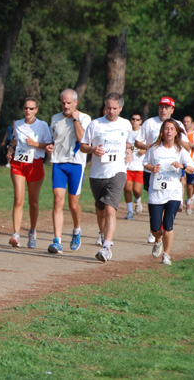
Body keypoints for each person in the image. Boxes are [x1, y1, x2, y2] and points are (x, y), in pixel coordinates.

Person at [80, 92, 132, 263]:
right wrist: (93, 150)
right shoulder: (95, 124)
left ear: (120, 108)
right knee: (100, 210)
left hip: (118, 171)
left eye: (115, 108)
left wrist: (130, 151)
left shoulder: (126, 124)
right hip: (97, 174)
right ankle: (102, 234)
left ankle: (107, 247)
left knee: (110, 209)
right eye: (108, 108)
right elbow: (83, 146)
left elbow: (128, 143)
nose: (111, 111)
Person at [134, 96, 189, 243]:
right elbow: (137, 142)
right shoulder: (149, 123)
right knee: (155, 200)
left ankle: (164, 229)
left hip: (171, 169)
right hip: (152, 169)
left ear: (172, 109)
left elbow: (188, 147)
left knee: (169, 202)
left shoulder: (177, 125)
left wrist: (175, 138)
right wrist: (152, 148)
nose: (163, 110)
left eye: (166, 107)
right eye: (161, 107)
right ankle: (155, 229)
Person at [143, 119, 194, 265]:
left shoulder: (180, 150)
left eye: (171, 129)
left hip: (173, 192)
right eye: (166, 128)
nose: (168, 131)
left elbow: (193, 168)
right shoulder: (154, 148)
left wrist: (182, 165)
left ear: (176, 132)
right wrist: (152, 168)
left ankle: (166, 254)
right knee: (155, 227)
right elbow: (145, 163)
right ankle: (158, 239)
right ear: (162, 131)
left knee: (168, 224)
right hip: (156, 192)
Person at [44, 89, 91, 254]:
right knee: (57, 201)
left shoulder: (85, 118)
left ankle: (77, 230)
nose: (65, 106)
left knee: (73, 204)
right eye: (63, 102)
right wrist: (49, 146)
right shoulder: (55, 118)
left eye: (69, 103)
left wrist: (76, 119)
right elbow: (53, 139)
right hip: (58, 163)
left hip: (76, 164)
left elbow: (83, 139)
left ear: (75, 103)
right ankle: (57, 241)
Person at [6, 97, 52, 249]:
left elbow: (49, 145)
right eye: (26, 108)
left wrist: (36, 144)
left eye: (31, 108)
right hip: (18, 164)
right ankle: (16, 234)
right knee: (18, 199)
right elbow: (14, 139)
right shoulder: (18, 124)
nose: (28, 111)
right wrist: (10, 148)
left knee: (33, 202)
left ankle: (32, 232)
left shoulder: (43, 125)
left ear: (36, 110)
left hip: (35, 164)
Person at [124, 112, 146, 221]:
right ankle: (130, 211)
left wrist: (142, 150)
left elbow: (146, 148)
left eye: (137, 120)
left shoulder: (143, 133)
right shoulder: (127, 132)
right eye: (133, 119)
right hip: (127, 165)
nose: (135, 121)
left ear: (141, 121)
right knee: (127, 188)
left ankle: (137, 200)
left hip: (139, 166)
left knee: (137, 190)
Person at [182, 115, 194, 215]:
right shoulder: (180, 133)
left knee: (190, 185)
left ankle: (189, 200)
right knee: (182, 181)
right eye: (184, 121)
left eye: (188, 122)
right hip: (181, 162)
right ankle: (180, 202)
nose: (185, 123)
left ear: (191, 123)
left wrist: (191, 145)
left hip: (192, 162)